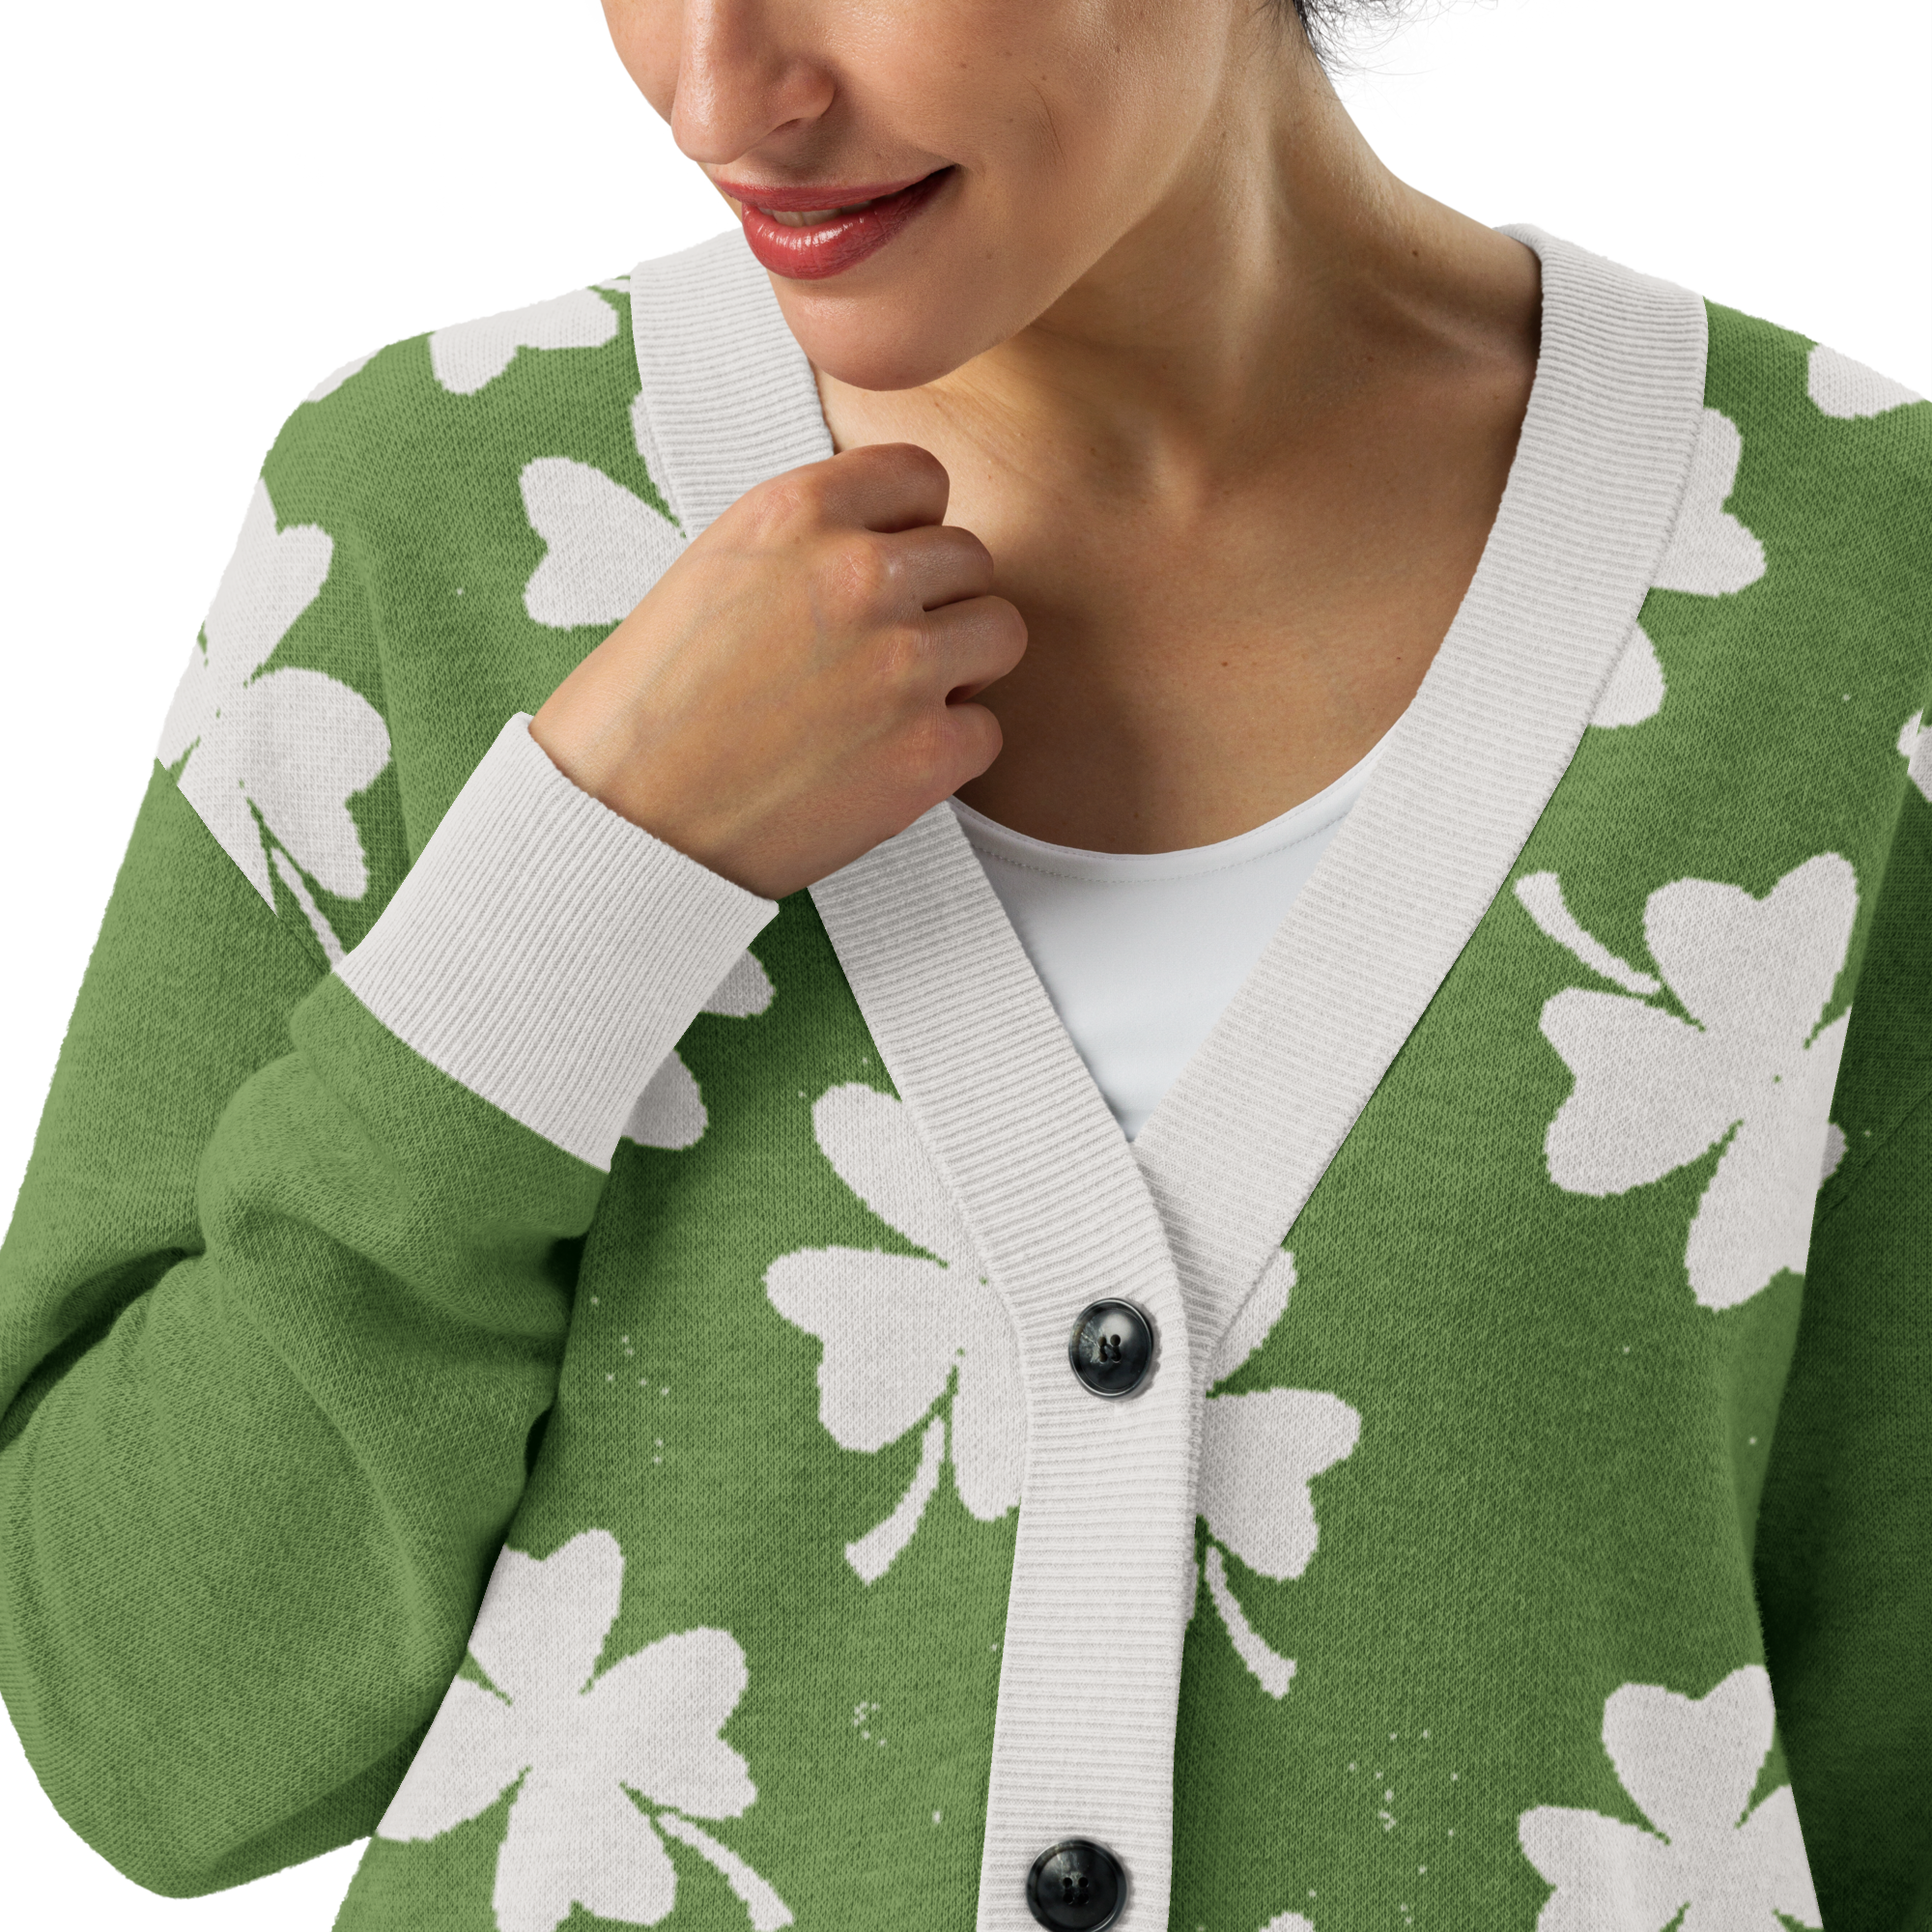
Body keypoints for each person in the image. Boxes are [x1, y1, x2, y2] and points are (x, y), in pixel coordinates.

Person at [2, 1, 1924, 1927]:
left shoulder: (1865, 590)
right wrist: (583, 872)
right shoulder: (425, 520)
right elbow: (154, 1740)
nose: (719, 88)